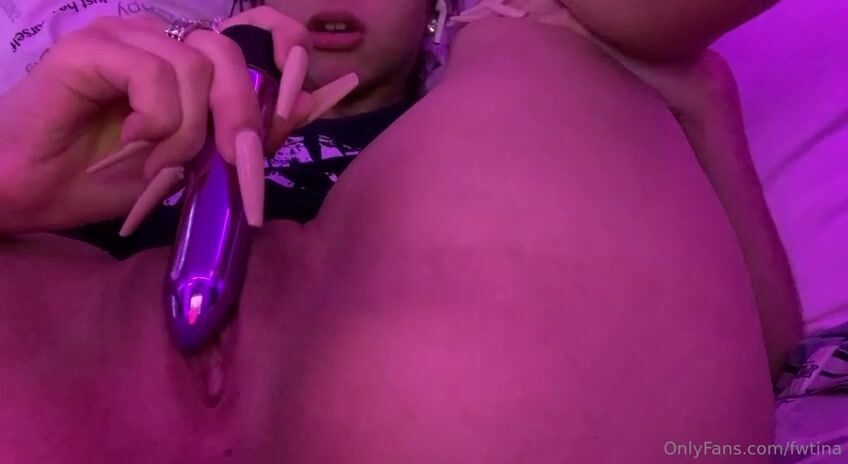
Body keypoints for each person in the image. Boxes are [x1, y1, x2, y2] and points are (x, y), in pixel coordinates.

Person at [0, 0, 800, 462]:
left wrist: (706, 112)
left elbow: (760, 354)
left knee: (542, 24)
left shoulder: (508, 72)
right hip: (79, 377)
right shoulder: (130, 115)